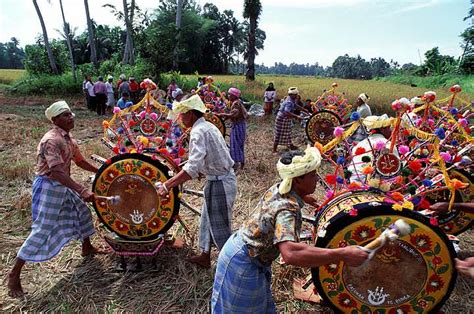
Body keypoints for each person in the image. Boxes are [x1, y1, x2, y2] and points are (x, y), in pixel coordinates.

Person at [211, 147, 368, 312]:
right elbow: (290, 253)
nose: (317, 179)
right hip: (244, 262)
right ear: (297, 180)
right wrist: (342, 254)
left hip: (241, 251)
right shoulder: (287, 210)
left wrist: (304, 197)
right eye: (313, 175)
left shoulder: (283, 188)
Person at [7, 101, 104, 298]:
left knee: (82, 212)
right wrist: (82, 190)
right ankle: (14, 274)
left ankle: (86, 247)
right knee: (43, 228)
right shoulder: (51, 140)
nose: (71, 118)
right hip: (49, 186)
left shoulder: (68, 139)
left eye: (71, 114)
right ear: (55, 120)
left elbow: (80, 161)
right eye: (66, 115)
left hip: (62, 184)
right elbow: (57, 172)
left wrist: (104, 171)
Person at [156, 95, 237, 268]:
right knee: (207, 219)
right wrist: (202, 169)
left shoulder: (198, 132)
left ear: (192, 114)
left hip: (221, 183)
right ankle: (205, 256)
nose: (180, 118)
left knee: (221, 226)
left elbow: (192, 169)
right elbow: (207, 157)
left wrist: (167, 185)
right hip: (217, 179)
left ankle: (231, 266)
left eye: (183, 114)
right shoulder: (208, 126)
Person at [348, 114, 394, 183]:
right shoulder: (387, 144)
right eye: (388, 128)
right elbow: (394, 170)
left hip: (352, 179)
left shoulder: (360, 144)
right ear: (382, 129)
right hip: (370, 181)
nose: (391, 131)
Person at [217, 87, 248, 170]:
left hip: (238, 126)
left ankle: (237, 163)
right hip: (239, 125)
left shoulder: (236, 103)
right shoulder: (234, 102)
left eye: (230, 94)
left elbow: (234, 114)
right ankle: (240, 162)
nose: (228, 95)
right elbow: (231, 114)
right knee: (238, 144)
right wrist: (223, 119)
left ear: (234, 96)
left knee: (236, 144)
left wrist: (222, 115)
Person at [273, 87, 303, 154]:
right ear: (291, 95)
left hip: (285, 118)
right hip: (282, 119)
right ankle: (274, 150)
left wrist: (304, 110)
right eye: (295, 94)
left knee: (288, 133)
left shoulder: (291, 99)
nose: (297, 96)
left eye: (297, 94)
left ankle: (291, 145)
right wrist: (297, 116)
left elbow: (296, 106)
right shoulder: (289, 101)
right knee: (279, 133)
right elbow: (287, 112)